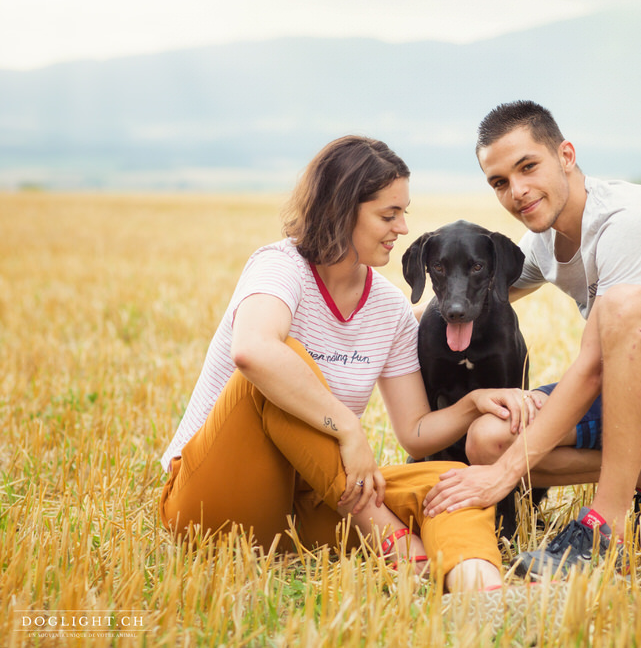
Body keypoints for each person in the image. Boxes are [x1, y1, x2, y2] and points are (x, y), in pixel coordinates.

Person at [158, 135, 536, 592]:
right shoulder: (280, 268)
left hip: (314, 506)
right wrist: (347, 427)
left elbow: (415, 432)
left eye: (404, 213)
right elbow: (253, 351)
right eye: (387, 214)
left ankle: (480, 586)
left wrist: (474, 402)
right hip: (215, 504)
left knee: (454, 481)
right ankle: (396, 545)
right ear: (341, 210)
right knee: (282, 360)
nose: (401, 228)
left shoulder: (388, 308)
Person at [423, 101, 641, 578]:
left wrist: (504, 478)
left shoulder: (628, 219)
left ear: (566, 155)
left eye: (528, 167)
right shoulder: (543, 245)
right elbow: (465, 295)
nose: (518, 191)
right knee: (488, 440)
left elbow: (594, 366)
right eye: (500, 182)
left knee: (622, 307)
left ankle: (605, 531)